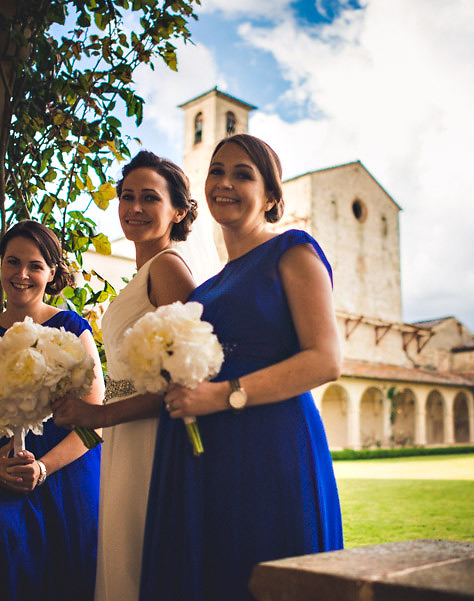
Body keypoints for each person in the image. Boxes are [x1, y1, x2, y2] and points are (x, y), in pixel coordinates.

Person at [140, 134, 344, 601]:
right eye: (216, 171)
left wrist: (223, 394)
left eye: (242, 174)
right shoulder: (207, 286)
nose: (224, 183)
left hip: (269, 445)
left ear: (271, 197)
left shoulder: (292, 251)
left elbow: (326, 359)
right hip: (205, 455)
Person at [52, 150, 198, 601]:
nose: (134, 207)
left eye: (149, 197)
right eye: (127, 196)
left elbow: (186, 382)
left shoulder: (169, 268)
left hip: (152, 440)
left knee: (141, 564)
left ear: (178, 211)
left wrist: (98, 416)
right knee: (122, 561)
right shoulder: (140, 276)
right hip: (123, 438)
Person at [0, 220, 104, 601]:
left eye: (35, 266)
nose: (22, 274)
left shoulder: (72, 328)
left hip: (64, 470)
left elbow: (95, 426)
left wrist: (43, 468)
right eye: (13, 262)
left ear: (51, 273)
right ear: (1, 264)